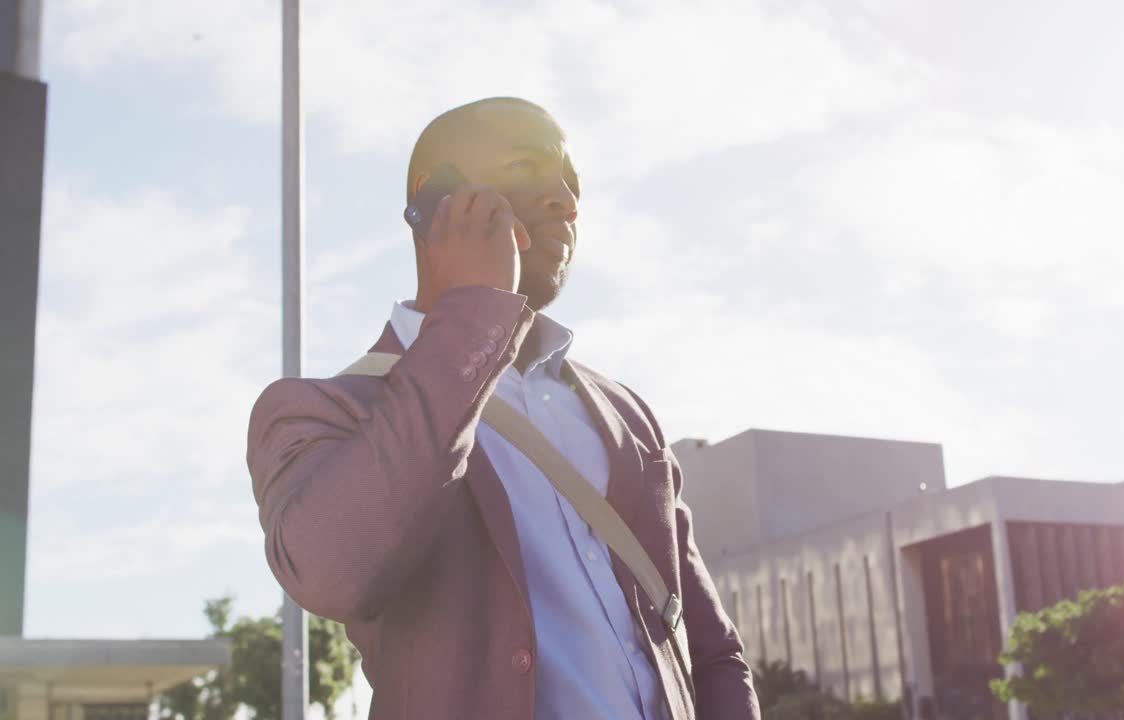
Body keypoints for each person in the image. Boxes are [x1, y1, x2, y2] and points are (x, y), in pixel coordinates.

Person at [246, 97, 760, 720]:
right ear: (437, 198)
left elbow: (710, 652)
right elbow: (332, 572)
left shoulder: (627, 416)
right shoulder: (320, 410)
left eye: (573, 188)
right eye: (530, 170)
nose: (567, 205)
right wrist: (475, 310)